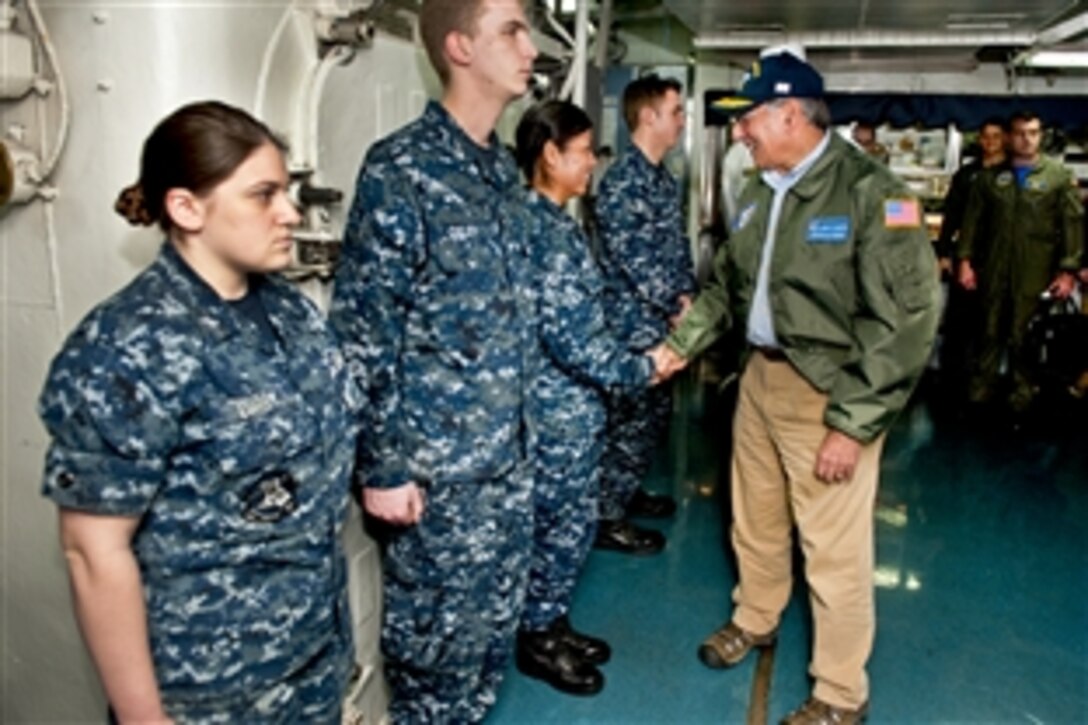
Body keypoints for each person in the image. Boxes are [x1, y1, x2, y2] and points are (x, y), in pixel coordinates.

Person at [38, 101, 359, 722]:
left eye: (286, 192)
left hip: (311, 658)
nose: (290, 213)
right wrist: (142, 717)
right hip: (210, 691)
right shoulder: (124, 348)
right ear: (187, 209)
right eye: (263, 195)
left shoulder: (288, 313)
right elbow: (93, 551)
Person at [657, 50, 940, 724]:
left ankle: (841, 692)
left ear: (790, 114)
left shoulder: (876, 194)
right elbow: (726, 287)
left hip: (830, 392)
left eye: (750, 119)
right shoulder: (760, 191)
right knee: (753, 521)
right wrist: (678, 346)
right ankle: (756, 616)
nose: (742, 133)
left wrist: (853, 421)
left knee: (834, 552)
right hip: (759, 379)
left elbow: (907, 319)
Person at [327, 0, 539, 721]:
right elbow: (363, 331)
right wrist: (381, 467)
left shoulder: (504, 173)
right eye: (510, 30)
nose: (530, 45)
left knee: (486, 652)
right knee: (433, 663)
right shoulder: (403, 170)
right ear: (458, 47)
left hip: (507, 468)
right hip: (437, 482)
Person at [512, 100, 664, 696]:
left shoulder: (557, 223)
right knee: (556, 526)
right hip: (554, 414)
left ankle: (552, 620)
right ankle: (537, 640)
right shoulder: (540, 231)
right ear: (550, 156)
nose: (593, 165)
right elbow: (574, 340)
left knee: (571, 525)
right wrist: (641, 368)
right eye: (584, 153)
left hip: (574, 411)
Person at [593, 73, 695, 555]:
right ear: (648, 116)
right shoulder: (622, 183)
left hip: (663, 322)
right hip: (631, 327)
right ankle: (606, 515)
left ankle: (626, 490)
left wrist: (688, 298)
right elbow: (635, 260)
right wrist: (676, 307)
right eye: (675, 112)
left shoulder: (661, 179)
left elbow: (676, 249)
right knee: (627, 421)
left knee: (651, 419)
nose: (681, 121)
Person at [957, 110, 1083, 420]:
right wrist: (964, 261)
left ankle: (1021, 398)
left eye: (1033, 133)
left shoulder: (1057, 178)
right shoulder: (989, 179)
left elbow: (1072, 225)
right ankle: (980, 394)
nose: (1026, 140)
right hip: (993, 265)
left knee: (1024, 335)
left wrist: (1068, 271)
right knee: (987, 331)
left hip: (1034, 269)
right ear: (1010, 137)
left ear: (1041, 136)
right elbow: (973, 222)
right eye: (1020, 133)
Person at [934, 118, 1007, 394]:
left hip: (999, 257)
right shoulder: (966, 175)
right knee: (957, 323)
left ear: (1005, 139)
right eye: (985, 137)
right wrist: (943, 252)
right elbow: (951, 215)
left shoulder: (1012, 174)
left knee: (990, 324)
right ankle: (950, 381)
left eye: (996, 136)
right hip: (965, 254)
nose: (989, 142)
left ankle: (983, 382)